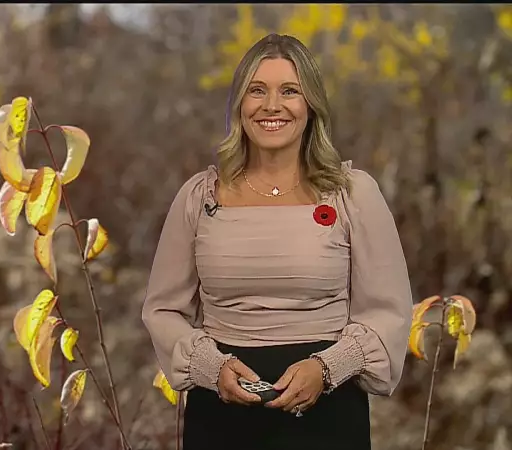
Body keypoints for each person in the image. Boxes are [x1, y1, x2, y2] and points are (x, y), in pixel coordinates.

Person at [141, 33, 413, 449]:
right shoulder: (199, 198)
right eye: (257, 91)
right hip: (220, 417)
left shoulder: (352, 195)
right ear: (239, 105)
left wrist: (326, 368)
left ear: (311, 105)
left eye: (289, 91)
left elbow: (389, 314)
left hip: (328, 417)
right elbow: (162, 310)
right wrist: (212, 367)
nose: (272, 106)